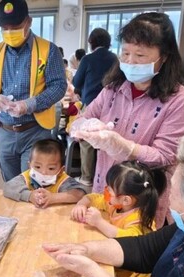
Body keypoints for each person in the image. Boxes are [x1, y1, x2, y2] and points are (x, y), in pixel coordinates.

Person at [43, 128, 184, 277]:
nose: (169, 200)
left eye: (175, 190)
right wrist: (85, 250)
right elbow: (142, 249)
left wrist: (92, 273)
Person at [68, 12, 184, 227]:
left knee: (133, 252)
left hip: (145, 202)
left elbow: (167, 156)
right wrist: (84, 127)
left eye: (140, 56)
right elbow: (84, 117)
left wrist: (123, 146)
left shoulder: (180, 102)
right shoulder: (113, 89)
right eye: (126, 53)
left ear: (163, 57)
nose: (130, 61)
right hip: (107, 192)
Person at [0, 0, 67, 181]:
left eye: (15, 26)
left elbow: (59, 86)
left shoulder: (48, 50)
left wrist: (31, 104)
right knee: (11, 185)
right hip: (5, 131)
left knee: (34, 182)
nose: (10, 31)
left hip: (34, 130)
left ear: (29, 21)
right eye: (5, 27)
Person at [71, 160, 166, 277]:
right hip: (115, 267)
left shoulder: (139, 220)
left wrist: (99, 222)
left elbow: (128, 242)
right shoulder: (116, 204)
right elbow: (94, 198)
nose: (105, 192)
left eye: (109, 190)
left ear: (126, 200)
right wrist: (81, 205)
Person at [73, 28, 118, 189]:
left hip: (92, 102)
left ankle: (86, 177)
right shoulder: (115, 59)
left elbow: (77, 82)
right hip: (113, 106)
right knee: (106, 140)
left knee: (86, 141)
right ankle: (107, 179)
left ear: (91, 42)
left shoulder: (88, 59)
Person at [3, 139, 84, 208]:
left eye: (51, 168)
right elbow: (8, 187)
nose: (43, 172)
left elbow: (79, 194)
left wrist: (53, 198)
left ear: (61, 170)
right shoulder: (26, 177)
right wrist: (29, 196)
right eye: (37, 167)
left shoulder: (63, 180)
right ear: (29, 165)